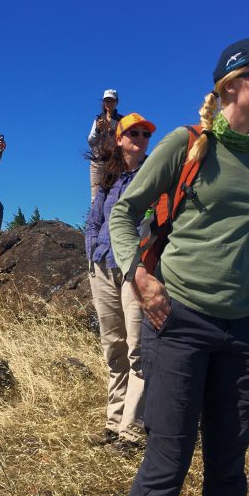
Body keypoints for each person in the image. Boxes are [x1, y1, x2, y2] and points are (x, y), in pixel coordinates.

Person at [104, 38, 249, 496]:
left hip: (244, 330)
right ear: (231, 85)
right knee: (166, 465)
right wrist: (140, 276)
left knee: (227, 471)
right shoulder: (184, 144)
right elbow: (125, 213)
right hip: (181, 320)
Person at [89, 113, 153, 446]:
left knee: (137, 349)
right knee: (113, 347)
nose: (141, 137)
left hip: (135, 270)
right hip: (102, 266)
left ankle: (132, 428)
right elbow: (94, 220)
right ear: (119, 138)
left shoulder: (155, 177)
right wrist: (91, 254)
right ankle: (113, 423)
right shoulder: (110, 178)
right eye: (134, 132)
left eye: (145, 133)